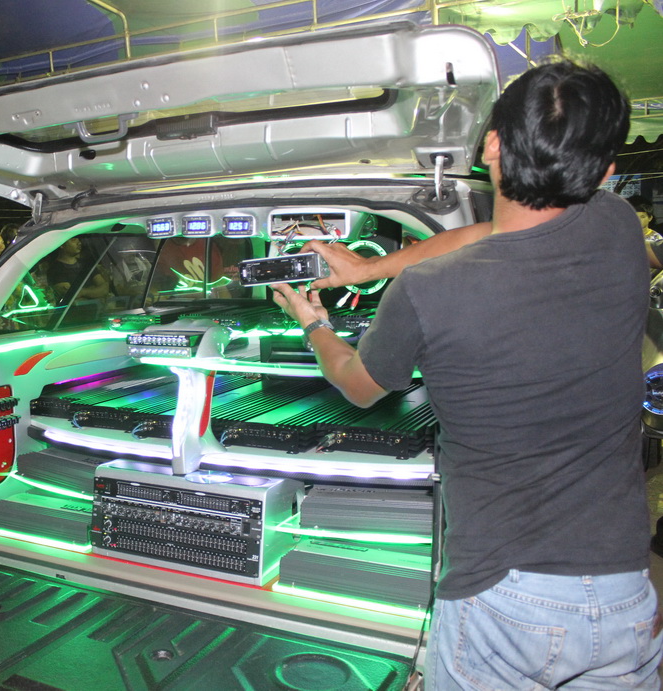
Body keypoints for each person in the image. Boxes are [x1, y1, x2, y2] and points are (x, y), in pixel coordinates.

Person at [273, 61, 662, 689]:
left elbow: (357, 384)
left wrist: (314, 323)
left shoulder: (427, 291)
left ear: (490, 147)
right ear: (607, 172)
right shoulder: (619, 229)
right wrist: (370, 269)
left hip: (501, 597)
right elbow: (496, 235)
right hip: (623, 591)